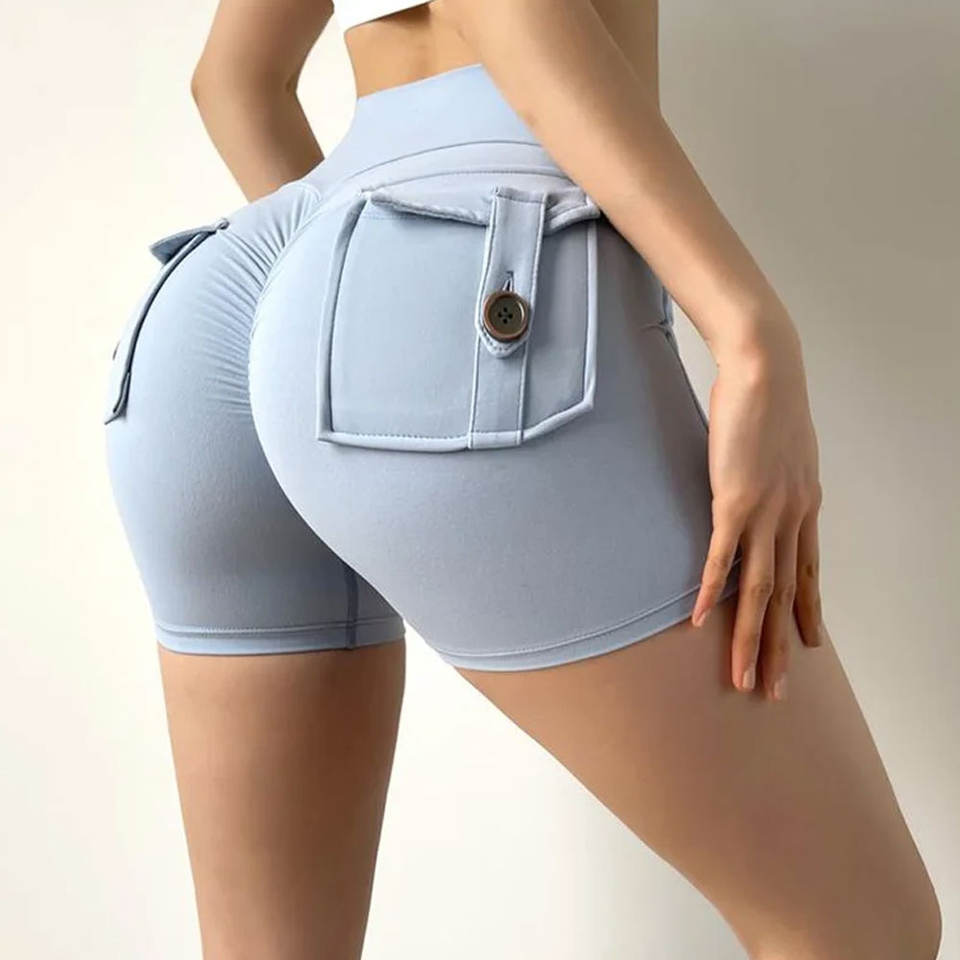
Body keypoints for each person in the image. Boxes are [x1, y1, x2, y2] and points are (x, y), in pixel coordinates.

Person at [102, 1, 942, 957]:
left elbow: (233, 79)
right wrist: (751, 335)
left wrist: (339, 303)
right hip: (480, 235)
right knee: (864, 929)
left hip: (230, 290)